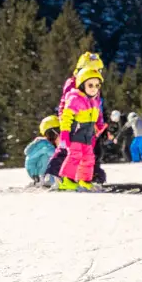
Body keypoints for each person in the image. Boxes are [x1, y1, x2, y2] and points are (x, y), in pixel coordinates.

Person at [57, 60, 109, 191]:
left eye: (97, 85)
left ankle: (84, 180)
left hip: (87, 137)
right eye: (90, 85)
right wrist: (64, 133)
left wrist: (98, 128)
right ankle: (66, 180)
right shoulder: (75, 99)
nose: (94, 88)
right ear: (81, 85)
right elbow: (66, 117)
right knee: (74, 156)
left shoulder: (94, 102)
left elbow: (96, 119)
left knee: (89, 159)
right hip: (75, 135)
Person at [26, 116, 60, 184]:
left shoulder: (59, 144)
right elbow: (30, 160)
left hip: (55, 174)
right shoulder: (42, 145)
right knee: (49, 155)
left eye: (59, 131)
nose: (56, 135)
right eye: (51, 134)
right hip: (42, 174)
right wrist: (34, 174)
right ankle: (48, 179)